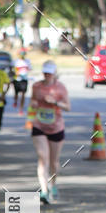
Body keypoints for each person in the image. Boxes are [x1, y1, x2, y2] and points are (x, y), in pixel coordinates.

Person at [30, 60, 70, 204]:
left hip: (56, 127)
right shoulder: (36, 86)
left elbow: (67, 107)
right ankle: (44, 190)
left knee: (54, 162)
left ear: (54, 74)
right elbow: (33, 101)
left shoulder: (60, 88)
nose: (47, 75)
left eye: (49, 73)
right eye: (45, 73)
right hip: (39, 126)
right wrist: (34, 104)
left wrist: (55, 102)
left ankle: (53, 185)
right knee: (43, 158)